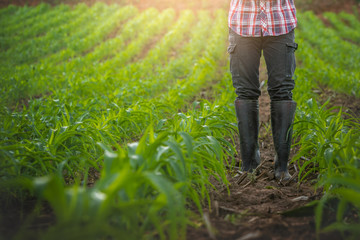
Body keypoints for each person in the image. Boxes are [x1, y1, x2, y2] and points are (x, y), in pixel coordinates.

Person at [228, 0, 298, 180]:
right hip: (243, 22)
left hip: (280, 21)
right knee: (245, 91)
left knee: (282, 90)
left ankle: (282, 167)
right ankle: (249, 164)